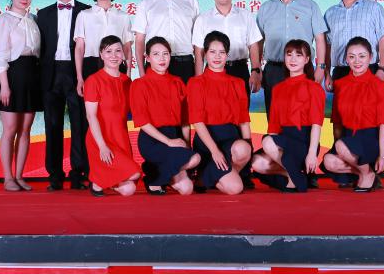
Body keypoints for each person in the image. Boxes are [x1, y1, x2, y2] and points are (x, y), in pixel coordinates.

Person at [37, 0, 92, 191]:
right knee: (52, 125)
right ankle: (55, 175)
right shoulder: (43, 14)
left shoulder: (86, 11)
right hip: (50, 74)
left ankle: (78, 173)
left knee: (80, 125)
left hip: (76, 72)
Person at [250, 39, 325, 192]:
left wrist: (312, 154)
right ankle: (294, 175)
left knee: (268, 141)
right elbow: (274, 126)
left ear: (307, 59)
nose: (293, 59)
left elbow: (316, 124)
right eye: (289, 54)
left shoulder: (314, 88)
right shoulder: (278, 88)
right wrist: (270, 150)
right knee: (257, 162)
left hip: (304, 141)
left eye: (298, 55)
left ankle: (294, 176)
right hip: (283, 141)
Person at [321, 36, 384, 193]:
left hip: (372, 139)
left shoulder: (380, 86)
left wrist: (382, 156)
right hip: (348, 139)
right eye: (352, 57)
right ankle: (367, 173)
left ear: (370, 58)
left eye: (362, 56)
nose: (357, 61)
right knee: (329, 161)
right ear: (346, 59)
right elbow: (337, 123)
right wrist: (340, 150)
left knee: (341, 145)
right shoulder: (340, 85)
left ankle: (367, 174)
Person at [256, 0, 328, 113]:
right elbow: (258, 41)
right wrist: (256, 69)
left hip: (303, 70)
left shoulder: (310, 6)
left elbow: (320, 39)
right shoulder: (265, 8)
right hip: (274, 70)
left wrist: (321, 67)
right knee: (275, 114)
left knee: (304, 115)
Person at [130, 37, 199, 195]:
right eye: (156, 54)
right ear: (147, 58)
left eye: (165, 54)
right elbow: (142, 122)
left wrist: (186, 144)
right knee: (195, 158)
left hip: (174, 135)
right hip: (152, 139)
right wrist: (169, 142)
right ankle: (154, 177)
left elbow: (185, 120)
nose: (162, 58)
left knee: (187, 189)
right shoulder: (139, 84)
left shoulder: (177, 82)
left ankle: (154, 171)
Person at [187, 31, 251, 195]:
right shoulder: (196, 83)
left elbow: (243, 119)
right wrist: (215, 151)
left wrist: (248, 153)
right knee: (235, 188)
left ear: (227, 55)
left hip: (231, 139)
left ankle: (210, 176)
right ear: (205, 54)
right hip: (207, 140)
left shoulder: (237, 83)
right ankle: (205, 175)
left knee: (244, 148)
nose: (217, 56)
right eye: (212, 52)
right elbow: (197, 121)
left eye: (222, 52)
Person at [0, 0, 43, 192]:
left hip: (32, 74)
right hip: (12, 75)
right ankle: (7, 177)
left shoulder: (33, 19)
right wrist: (4, 85)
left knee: (25, 129)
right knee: (10, 128)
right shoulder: (3, 20)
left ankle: (20, 175)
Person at [83, 35, 144, 196]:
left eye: (118, 51)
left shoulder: (127, 81)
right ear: (101, 55)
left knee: (129, 189)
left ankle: (102, 183)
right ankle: (98, 180)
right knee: (134, 174)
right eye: (108, 51)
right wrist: (102, 146)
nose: (114, 55)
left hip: (121, 138)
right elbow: (91, 116)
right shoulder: (93, 80)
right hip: (100, 139)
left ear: (123, 54)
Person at [191, 0, 263, 98]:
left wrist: (256, 71)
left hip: (239, 70)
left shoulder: (245, 15)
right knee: (213, 109)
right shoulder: (202, 19)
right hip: (212, 73)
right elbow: (199, 53)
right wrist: (198, 81)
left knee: (241, 108)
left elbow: (253, 45)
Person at [132, 0, 201, 82]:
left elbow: (198, 40)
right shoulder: (145, 2)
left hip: (185, 64)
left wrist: (198, 73)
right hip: (155, 65)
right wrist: (142, 72)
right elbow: (140, 40)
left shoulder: (191, 0)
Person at [324, 0, 384, 89]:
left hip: (369, 71)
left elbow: (383, 39)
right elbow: (327, 46)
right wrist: (327, 73)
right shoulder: (330, 13)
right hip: (340, 72)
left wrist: (382, 69)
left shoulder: (374, 8)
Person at [75, 0, 131, 86]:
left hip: (116, 65)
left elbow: (127, 47)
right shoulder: (84, 15)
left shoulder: (123, 16)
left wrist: (128, 73)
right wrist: (79, 77)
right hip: (91, 65)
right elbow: (79, 48)